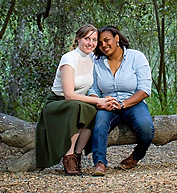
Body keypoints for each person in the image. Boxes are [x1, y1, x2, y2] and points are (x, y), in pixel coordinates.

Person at [35, 24, 117, 175]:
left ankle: (77, 155)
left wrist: (101, 101)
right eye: (87, 38)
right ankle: (68, 156)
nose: (90, 43)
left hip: (78, 102)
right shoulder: (69, 58)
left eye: (94, 40)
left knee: (92, 110)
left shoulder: (92, 58)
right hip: (58, 103)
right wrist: (99, 101)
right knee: (78, 107)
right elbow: (69, 95)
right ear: (78, 38)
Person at [89, 25, 155, 176]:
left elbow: (144, 89)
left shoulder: (136, 57)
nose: (104, 45)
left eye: (107, 40)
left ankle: (136, 156)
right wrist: (100, 101)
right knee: (99, 124)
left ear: (117, 38)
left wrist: (123, 104)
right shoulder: (96, 62)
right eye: (100, 43)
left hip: (133, 103)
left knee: (146, 128)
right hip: (107, 104)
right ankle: (99, 163)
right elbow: (93, 89)